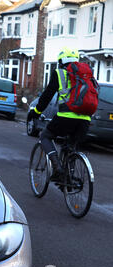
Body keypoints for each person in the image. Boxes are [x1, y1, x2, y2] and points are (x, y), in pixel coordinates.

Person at [29, 47, 92, 181]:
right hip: (85, 119)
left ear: (61, 61)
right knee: (71, 147)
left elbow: (47, 96)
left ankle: (57, 168)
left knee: (45, 136)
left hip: (66, 117)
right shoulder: (87, 75)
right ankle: (68, 179)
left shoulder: (59, 73)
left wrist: (36, 111)